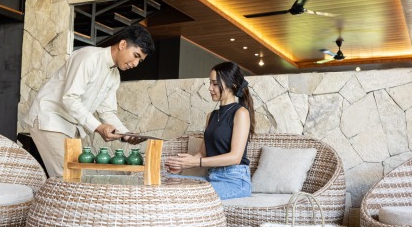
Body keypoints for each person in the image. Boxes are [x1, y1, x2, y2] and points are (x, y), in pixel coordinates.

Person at [26, 24, 155, 177]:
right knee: (68, 179)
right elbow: (70, 98)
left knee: (76, 178)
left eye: (140, 61)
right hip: (50, 119)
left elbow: (106, 111)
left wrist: (126, 134)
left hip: (70, 127)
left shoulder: (114, 76)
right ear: (122, 44)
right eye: (136, 55)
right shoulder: (88, 57)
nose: (135, 64)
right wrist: (98, 127)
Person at [165, 61, 255, 200]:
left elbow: (235, 157)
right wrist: (183, 165)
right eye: (210, 83)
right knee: (169, 181)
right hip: (212, 177)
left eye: (215, 84)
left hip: (235, 181)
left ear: (232, 85)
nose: (210, 88)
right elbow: (203, 153)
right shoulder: (211, 116)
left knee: (188, 194)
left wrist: (195, 162)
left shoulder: (240, 113)